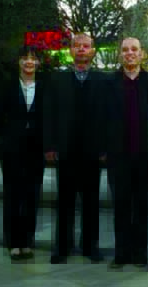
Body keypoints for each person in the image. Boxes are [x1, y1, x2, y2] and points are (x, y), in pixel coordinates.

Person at [43, 33, 107, 264]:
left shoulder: (103, 80)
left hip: (92, 151)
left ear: (93, 51)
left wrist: (105, 147)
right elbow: (49, 113)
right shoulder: (57, 79)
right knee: (65, 201)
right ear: (71, 50)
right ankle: (63, 246)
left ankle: (91, 246)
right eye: (77, 46)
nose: (81, 49)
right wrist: (50, 145)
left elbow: (108, 117)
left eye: (86, 46)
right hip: (66, 149)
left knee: (91, 201)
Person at [106, 37, 148, 269]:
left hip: (145, 156)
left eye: (134, 49)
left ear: (141, 54)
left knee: (142, 205)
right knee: (120, 204)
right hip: (118, 156)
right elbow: (102, 117)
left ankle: (139, 252)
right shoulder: (110, 83)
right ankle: (121, 253)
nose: (130, 53)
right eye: (125, 50)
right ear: (121, 54)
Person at [0, 46, 45, 261]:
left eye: (33, 58)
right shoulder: (7, 86)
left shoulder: (44, 87)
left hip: (36, 150)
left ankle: (27, 241)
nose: (29, 62)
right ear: (19, 62)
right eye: (25, 58)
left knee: (32, 196)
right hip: (12, 150)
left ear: (38, 63)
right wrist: (8, 137)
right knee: (13, 196)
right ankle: (13, 242)